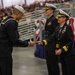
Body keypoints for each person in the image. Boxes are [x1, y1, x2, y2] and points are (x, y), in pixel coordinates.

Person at [37, 9, 75, 75]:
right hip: (62, 54)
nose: (58, 18)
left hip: (69, 54)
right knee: (64, 71)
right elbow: (52, 37)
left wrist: (62, 49)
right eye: (58, 17)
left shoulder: (68, 28)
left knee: (70, 71)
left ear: (64, 18)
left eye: (60, 17)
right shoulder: (57, 28)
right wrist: (43, 41)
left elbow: (70, 42)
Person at [0, 5, 35, 75]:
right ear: (18, 13)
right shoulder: (12, 23)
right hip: (5, 52)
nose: (21, 17)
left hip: (1, 51)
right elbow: (14, 40)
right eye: (22, 15)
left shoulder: (6, 20)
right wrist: (28, 43)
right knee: (6, 71)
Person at [37, 3, 60, 75]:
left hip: (52, 45)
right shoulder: (48, 20)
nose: (45, 11)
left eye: (47, 10)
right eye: (45, 10)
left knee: (54, 65)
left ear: (52, 11)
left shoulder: (54, 20)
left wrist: (47, 41)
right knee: (49, 65)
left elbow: (56, 33)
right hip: (48, 46)